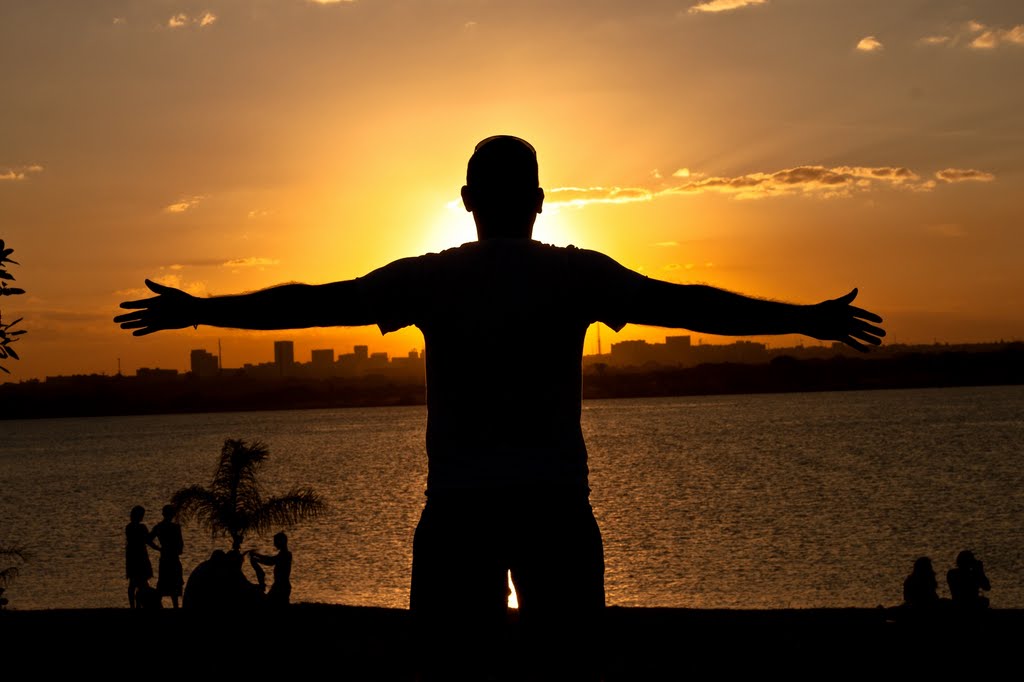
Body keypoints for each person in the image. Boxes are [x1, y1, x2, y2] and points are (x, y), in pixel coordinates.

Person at [115, 135, 885, 679]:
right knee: (568, 672)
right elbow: (688, 301)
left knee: (454, 679)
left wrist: (201, 310)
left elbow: (319, 301)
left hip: (459, 511)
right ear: (541, 202)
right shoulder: (576, 275)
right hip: (553, 505)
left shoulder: (435, 279)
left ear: (467, 201)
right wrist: (803, 316)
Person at [148, 504, 185, 608]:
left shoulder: (159, 527)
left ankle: (157, 605)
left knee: (164, 581)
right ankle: (175, 606)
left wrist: (158, 548)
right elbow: (180, 544)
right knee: (173, 582)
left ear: (163, 514)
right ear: (172, 515)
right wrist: (177, 550)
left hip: (165, 556)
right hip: (173, 556)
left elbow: (148, 539)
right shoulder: (175, 527)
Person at [250, 531, 293, 607]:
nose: (274, 544)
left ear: (281, 542)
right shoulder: (284, 554)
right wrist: (257, 557)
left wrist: (257, 557)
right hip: (279, 585)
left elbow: (270, 561)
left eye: (275, 542)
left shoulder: (286, 555)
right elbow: (271, 560)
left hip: (281, 586)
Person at [125, 505, 153, 609]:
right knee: (140, 582)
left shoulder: (129, 527)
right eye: (142, 515)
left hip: (132, 556)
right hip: (140, 556)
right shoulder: (142, 527)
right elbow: (148, 541)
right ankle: (138, 605)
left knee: (134, 582)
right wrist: (159, 548)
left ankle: (135, 605)